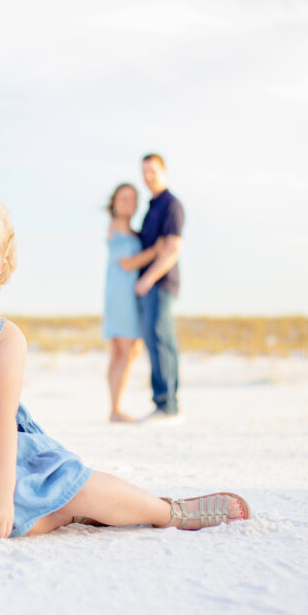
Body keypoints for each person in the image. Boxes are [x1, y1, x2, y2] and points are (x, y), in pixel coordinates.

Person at [0, 180, 249, 540]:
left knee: (49, 491)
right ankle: (69, 514)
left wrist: (0, 493)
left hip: (2, 455)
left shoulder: (4, 337)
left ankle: (168, 512)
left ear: (0, 269)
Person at [103, 183, 163, 422]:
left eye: (133, 198)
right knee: (128, 349)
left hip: (122, 292)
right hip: (121, 294)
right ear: (115, 203)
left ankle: (114, 407)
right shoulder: (117, 225)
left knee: (121, 351)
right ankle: (115, 409)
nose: (129, 203)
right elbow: (127, 263)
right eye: (124, 198)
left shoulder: (129, 229)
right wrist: (156, 251)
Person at [136, 153, 184, 420]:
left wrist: (148, 278)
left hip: (161, 284)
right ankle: (163, 404)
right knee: (154, 341)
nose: (148, 176)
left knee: (161, 339)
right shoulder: (152, 206)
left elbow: (172, 249)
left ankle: (168, 406)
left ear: (163, 171)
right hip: (149, 286)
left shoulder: (171, 205)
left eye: (152, 171)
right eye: (144, 171)